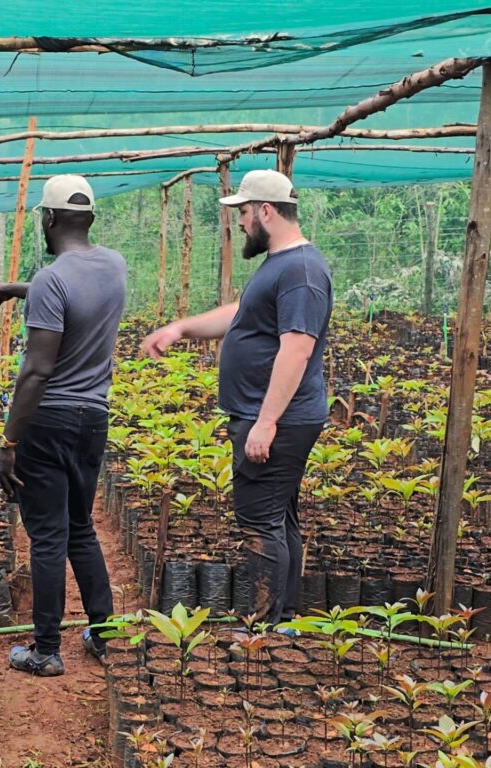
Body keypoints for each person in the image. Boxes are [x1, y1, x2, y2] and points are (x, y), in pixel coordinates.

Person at [141, 169, 332, 628]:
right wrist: (182, 327)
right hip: (269, 416)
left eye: (244, 213)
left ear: (266, 211)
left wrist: (266, 422)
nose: (240, 223)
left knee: (261, 522)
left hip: (277, 420)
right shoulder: (282, 264)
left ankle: (265, 629)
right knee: (278, 518)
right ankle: (282, 619)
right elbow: (242, 312)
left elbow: (297, 348)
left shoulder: (301, 271)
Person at [0, 175, 126, 676]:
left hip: (47, 421)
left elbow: (38, 370)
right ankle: (104, 633)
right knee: (80, 527)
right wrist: (18, 290)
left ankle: (45, 650)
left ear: (47, 218)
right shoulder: (114, 266)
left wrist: (8, 441)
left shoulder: (52, 278)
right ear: (88, 218)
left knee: (46, 537)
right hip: (93, 420)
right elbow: (73, 295)